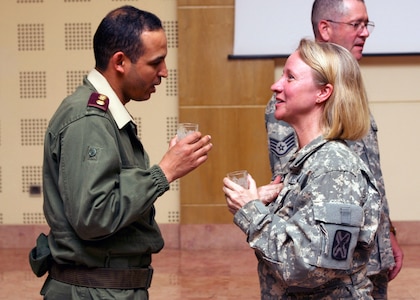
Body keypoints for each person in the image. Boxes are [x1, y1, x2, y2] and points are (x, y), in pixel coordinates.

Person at [28, 6, 212, 299]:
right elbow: (94, 216)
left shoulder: (104, 114)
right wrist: (163, 172)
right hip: (94, 292)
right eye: (156, 62)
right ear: (120, 62)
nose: (164, 72)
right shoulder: (89, 120)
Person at [264, 0, 403, 298]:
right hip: (330, 269)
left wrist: (387, 233)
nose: (365, 33)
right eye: (357, 24)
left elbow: (371, 179)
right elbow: (293, 192)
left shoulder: (346, 96)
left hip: (367, 255)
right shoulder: (293, 104)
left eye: (367, 24)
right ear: (325, 28)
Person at [224, 38, 382, 299]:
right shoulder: (303, 162)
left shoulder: (334, 168)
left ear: (323, 92)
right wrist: (260, 203)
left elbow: (309, 268)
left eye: (290, 78)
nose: (275, 86)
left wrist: (251, 212)